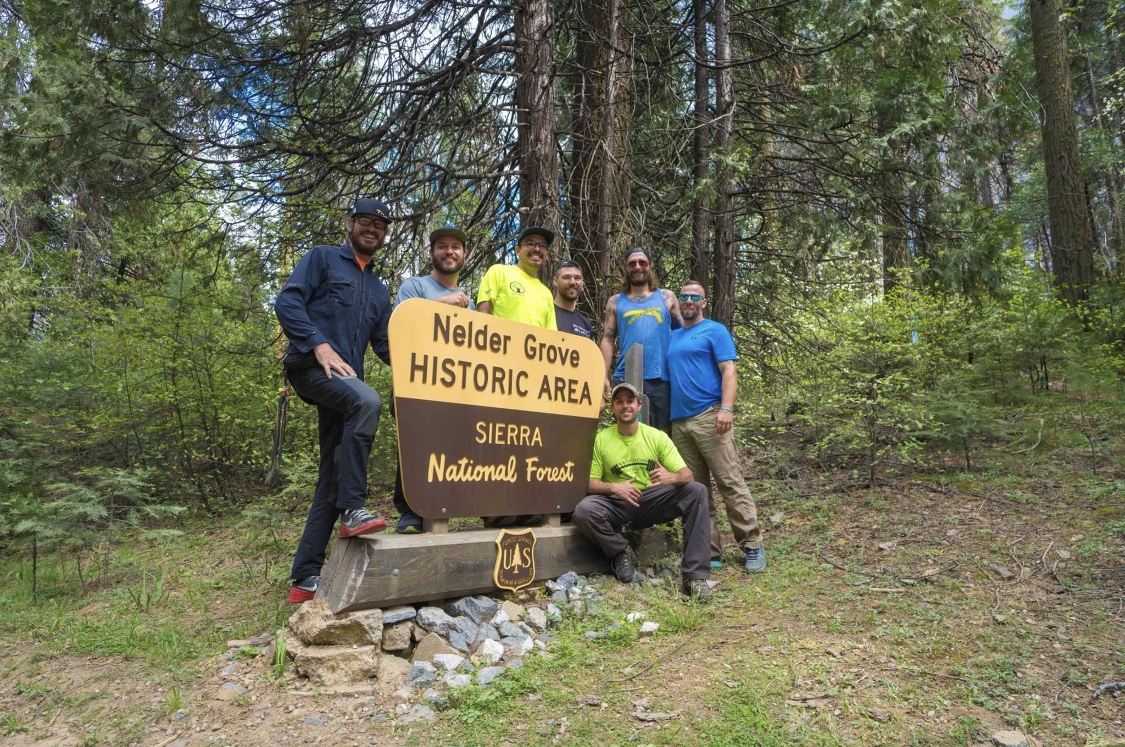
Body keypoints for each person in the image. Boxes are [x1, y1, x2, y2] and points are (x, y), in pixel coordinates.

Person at [274, 197, 396, 604]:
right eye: (365, 222)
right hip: (310, 367)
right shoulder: (323, 259)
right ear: (350, 224)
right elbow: (287, 301)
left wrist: (425, 370)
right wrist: (318, 345)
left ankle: (304, 578)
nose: (372, 230)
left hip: (345, 387)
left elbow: (386, 346)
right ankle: (354, 509)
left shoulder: (380, 290)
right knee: (369, 402)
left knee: (330, 475)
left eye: (380, 226)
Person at [572, 382, 713, 601]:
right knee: (584, 510)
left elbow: (687, 474)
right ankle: (620, 551)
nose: (625, 406)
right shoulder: (602, 439)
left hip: (652, 500)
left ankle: (695, 577)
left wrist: (672, 477)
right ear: (613, 408)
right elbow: (590, 483)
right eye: (619, 402)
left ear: (639, 406)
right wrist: (614, 487)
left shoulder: (656, 437)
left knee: (696, 491)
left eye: (630, 401)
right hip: (617, 502)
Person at [668, 281, 765, 572]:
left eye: (694, 297)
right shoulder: (673, 336)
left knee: (729, 481)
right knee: (696, 491)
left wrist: (726, 408)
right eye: (684, 296)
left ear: (704, 302)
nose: (688, 301)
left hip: (710, 417)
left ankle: (752, 545)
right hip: (680, 424)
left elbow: (729, 370)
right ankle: (709, 551)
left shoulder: (715, 330)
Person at [391, 226, 474, 534]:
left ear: (464, 255)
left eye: (455, 247)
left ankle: (441, 514)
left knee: (449, 450)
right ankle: (409, 514)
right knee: (415, 446)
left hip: (456, 390)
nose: (449, 251)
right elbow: (403, 321)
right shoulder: (414, 287)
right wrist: (444, 305)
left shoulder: (470, 302)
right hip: (415, 383)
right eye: (442, 246)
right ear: (432, 253)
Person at [598, 248, 682, 430]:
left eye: (642, 262)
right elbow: (608, 340)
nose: (638, 267)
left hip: (661, 379)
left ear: (649, 266)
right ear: (626, 268)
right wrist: (602, 376)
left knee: (661, 436)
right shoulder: (615, 302)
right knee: (628, 433)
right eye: (632, 263)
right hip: (625, 377)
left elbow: (682, 335)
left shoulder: (667, 298)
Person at [476, 226, 557, 329]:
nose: (537, 249)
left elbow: (551, 336)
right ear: (518, 250)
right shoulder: (498, 272)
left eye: (542, 246)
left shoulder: (546, 293)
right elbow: (483, 314)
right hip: (499, 343)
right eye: (530, 243)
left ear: (547, 254)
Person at [553, 259, 593, 339]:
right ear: (555, 281)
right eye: (566, 277)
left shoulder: (585, 323)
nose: (572, 282)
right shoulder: (546, 312)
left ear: (582, 283)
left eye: (577, 278)